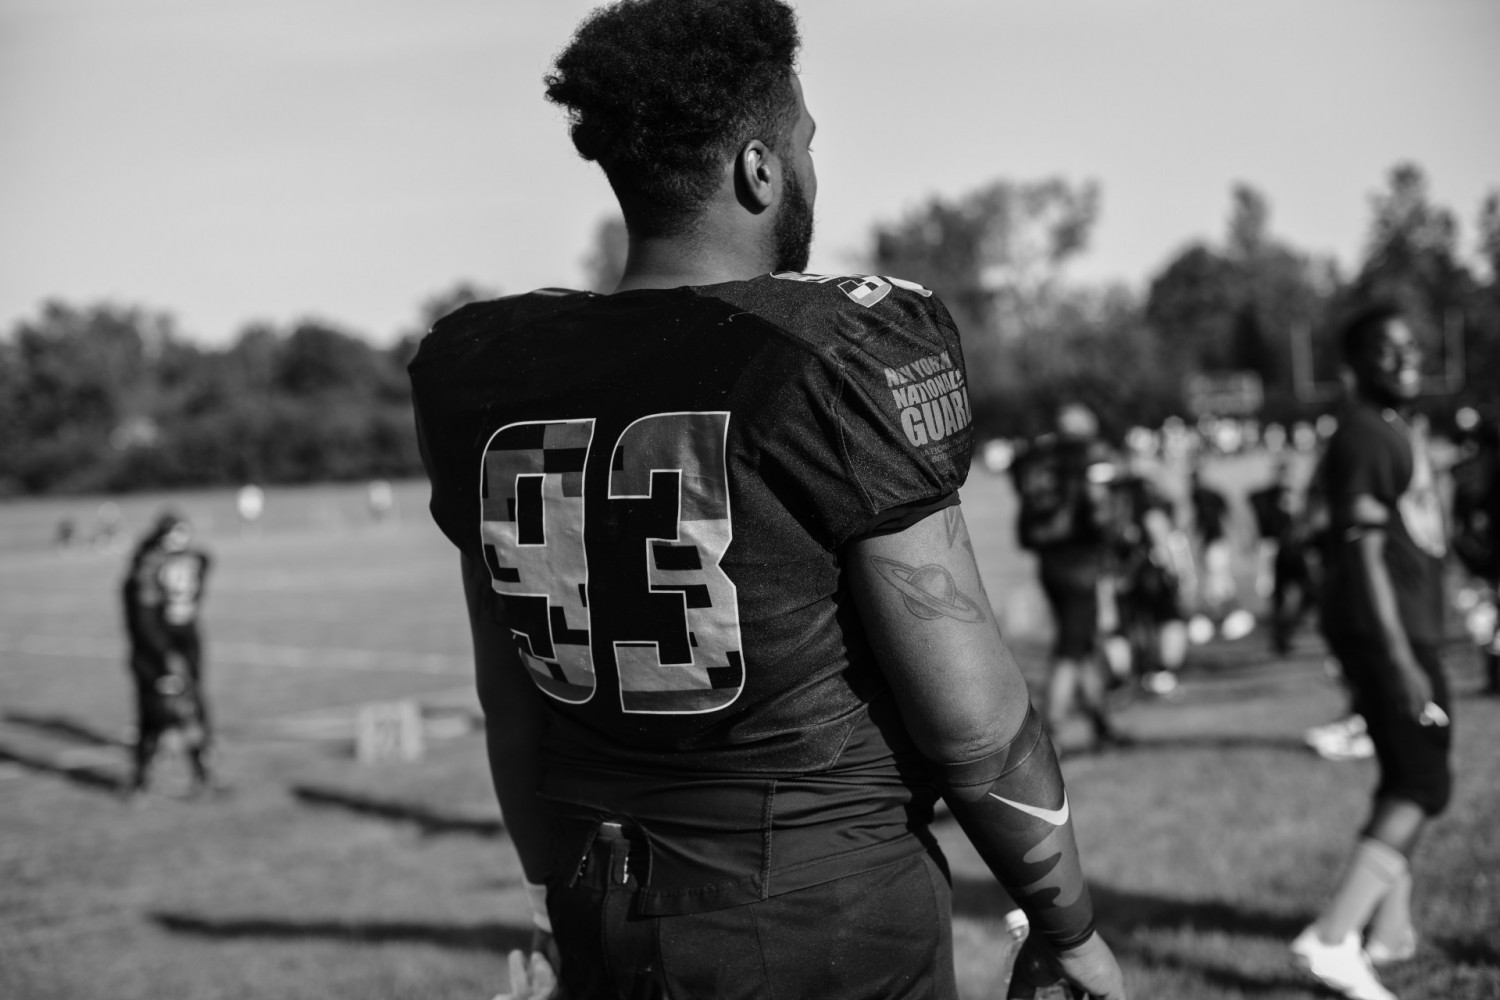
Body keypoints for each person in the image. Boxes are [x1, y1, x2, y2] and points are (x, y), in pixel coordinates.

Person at [408, 3, 1125, 998]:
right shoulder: (829, 350)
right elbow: (974, 722)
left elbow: (511, 705)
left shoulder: (482, 367)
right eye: (805, 145)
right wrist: (1067, 925)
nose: (811, 170)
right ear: (759, 168)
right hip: (818, 907)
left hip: (601, 899)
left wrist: (552, 903)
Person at [1290, 304, 1454, 1000]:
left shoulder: (1387, 427)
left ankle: (1389, 934)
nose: (1406, 358)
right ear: (1355, 364)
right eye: (1388, 349)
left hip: (1400, 627)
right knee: (1423, 783)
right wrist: (1400, 658)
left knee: (1402, 776)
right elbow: (1362, 555)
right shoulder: (1364, 432)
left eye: (1412, 345)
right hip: (1392, 632)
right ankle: (1332, 940)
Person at [1013, 403, 1126, 749]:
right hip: (1081, 560)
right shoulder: (1088, 455)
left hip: (1049, 562)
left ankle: (1101, 724)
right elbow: (1099, 504)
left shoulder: (1037, 457)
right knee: (1070, 649)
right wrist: (1113, 539)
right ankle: (1051, 735)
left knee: (1083, 643)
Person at [121, 511, 215, 797]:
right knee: (180, 712)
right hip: (169, 649)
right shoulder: (183, 561)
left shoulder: (150, 564)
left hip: (167, 649)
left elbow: (140, 616)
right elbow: (142, 617)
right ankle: (154, 778)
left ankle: (154, 779)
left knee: (173, 713)